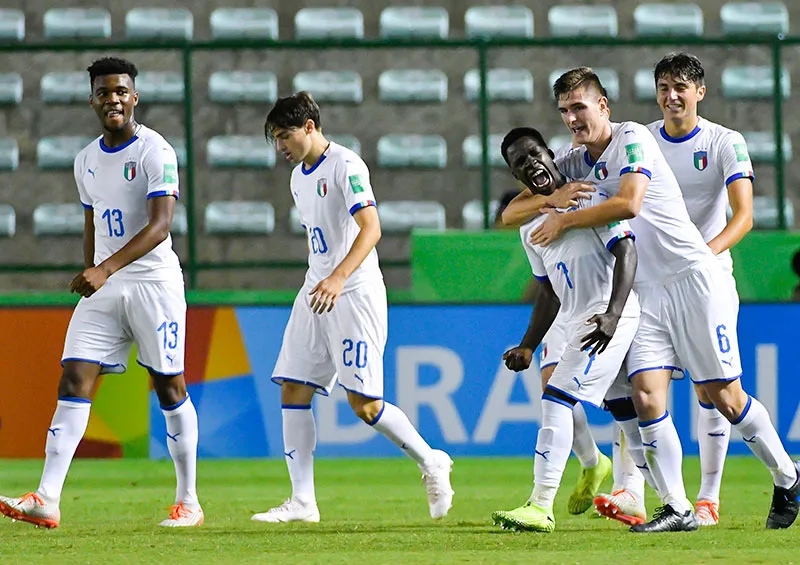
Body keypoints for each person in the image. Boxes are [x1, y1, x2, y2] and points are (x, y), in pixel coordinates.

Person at [530, 67, 799, 532]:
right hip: (644, 291)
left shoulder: (632, 137)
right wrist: (544, 201)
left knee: (725, 397)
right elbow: (517, 206)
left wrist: (564, 219)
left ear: (604, 106)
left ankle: (788, 476)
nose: (573, 117)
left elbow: (631, 203)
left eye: (580, 107)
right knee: (646, 397)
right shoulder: (574, 162)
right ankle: (676, 506)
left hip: (693, 278)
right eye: (565, 111)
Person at [0, 57, 201, 528]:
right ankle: (47, 497)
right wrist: (92, 268)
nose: (113, 98)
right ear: (93, 100)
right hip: (106, 286)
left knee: (169, 386)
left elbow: (161, 225)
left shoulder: (156, 151)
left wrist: (104, 269)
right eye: (104, 92)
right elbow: (92, 220)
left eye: (121, 91)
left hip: (154, 284)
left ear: (134, 97)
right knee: (73, 378)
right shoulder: (85, 160)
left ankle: (189, 501)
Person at [251, 92, 454, 524]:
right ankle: (303, 501)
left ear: (309, 127)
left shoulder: (347, 165)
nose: (280, 147)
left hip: (353, 291)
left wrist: (339, 277)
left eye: (285, 136)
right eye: (276, 140)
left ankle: (431, 461)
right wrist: (325, 278)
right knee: (293, 387)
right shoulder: (298, 178)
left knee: (365, 406)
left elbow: (371, 227)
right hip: (316, 289)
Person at [597, 52, 755, 527]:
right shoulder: (640, 140)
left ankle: (709, 497)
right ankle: (633, 491)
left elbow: (743, 216)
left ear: (699, 92)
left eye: (681, 88)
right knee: (640, 387)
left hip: (706, 278)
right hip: (650, 283)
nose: (671, 97)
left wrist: (703, 257)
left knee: (715, 393)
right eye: (664, 88)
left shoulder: (726, 141)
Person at [490, 127, 641, 532]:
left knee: (557, 398)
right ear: (516, 176)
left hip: (606, 317)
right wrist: (527, 344)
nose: (531, 164)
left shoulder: (588, 196)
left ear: (551, 154)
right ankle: (664, 499)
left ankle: (540, 505)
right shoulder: (529, 229)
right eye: (519, 163)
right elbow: (549, 293)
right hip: (573, 318)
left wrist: (612, 313)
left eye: (534, 154)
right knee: (628, 407)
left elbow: (626, 250)